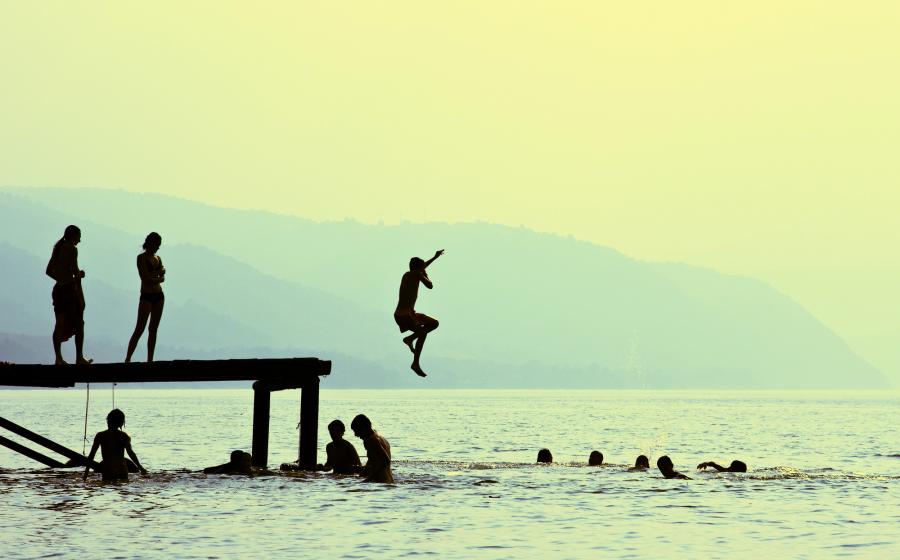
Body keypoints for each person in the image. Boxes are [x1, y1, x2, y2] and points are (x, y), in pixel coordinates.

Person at [394, 249, 444, 377]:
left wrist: (434, 257)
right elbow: (430, 285)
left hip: (408, 314)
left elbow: (423, 266)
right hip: (404, 315)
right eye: (422, 268)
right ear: (418, 269)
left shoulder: (409, 274)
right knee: (422, 333)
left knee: (433, 323)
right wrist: (425, 273)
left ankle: (410, 339)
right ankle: (415, 363)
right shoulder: (416, 274)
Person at [46, 225, 92, 365]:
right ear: (73, 236)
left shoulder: (57, 249)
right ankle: (79, 357)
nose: (80, 240)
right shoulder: (72, 249)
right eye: (79, 236)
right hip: (69, 291)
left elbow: (48, 271)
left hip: (58, 290)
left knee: (59, 324)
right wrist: (79, 275)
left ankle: (58, 358)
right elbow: (75, 271)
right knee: (79, 324)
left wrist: (61, 278)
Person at [125, 232, 166, 362]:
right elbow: (146, 278)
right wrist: (158, 275)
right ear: (150, 243)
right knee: (140, 329)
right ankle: (128, 358)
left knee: (153, 329)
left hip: (159, 295)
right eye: (156, 245)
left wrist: (156, 276)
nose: (158, 248)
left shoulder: (158, 258)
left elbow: (162, 278)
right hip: (147, 295)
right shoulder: (141, 258)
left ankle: (150, 360)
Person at [83, 409, 147, 482]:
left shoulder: (100, 436)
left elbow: (91, 455)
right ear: (121, 423)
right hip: (121, 470)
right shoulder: (124, 436)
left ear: (108, 420)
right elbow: (131, 453)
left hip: (108, 470)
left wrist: (85, 475)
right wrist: (140, 467)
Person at [350, 414, 393, 483]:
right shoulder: (380, 437)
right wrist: (362, 474)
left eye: (356, 431)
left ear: (363, 428)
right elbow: (373, 460)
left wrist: (369, 478)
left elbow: (386, 461)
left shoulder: (371, 440)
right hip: (388, 481)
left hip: (380, 482)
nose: (356, 435)